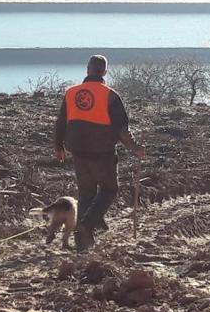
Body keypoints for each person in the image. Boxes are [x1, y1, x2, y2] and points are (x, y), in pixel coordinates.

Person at [54, 55, 145, 251]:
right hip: (102, 153)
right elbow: (122, 130)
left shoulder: (71, 93)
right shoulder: (110, 95)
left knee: (86, 193)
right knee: (109, 190)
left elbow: (61, 122)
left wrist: (58, 147)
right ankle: (88, 226)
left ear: (87, 70)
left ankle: (81, 239)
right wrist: (136, 148)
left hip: (78, 152)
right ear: (104, 72)